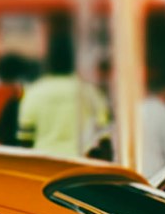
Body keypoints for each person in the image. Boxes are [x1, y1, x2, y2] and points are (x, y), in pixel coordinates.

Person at [15, 27, 109, 158]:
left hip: (45, 163)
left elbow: (25, 138)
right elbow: (103, 135)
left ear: (48, 60)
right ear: (74, 60)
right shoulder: (90, 92)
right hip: (82, 162)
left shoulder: (34, 92)